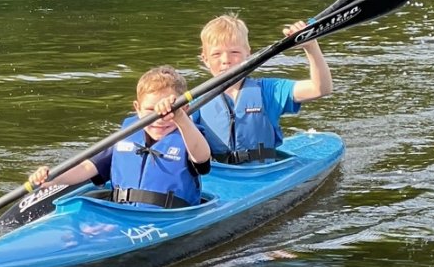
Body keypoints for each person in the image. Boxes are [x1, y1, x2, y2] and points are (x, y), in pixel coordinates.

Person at [30, 65, 213, 208]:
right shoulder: (126, 135)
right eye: (150, 110)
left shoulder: (190, 136)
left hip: (169, 217)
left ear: (184, 109)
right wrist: (53, 178)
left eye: (169, 111)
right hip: (121, 214)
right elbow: (86, 168)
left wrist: (179, 117)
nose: (159, 119)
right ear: (137, 108)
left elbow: (202, 158)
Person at [194, 11, 332, 163]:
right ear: (205, 59)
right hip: (216, 172)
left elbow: (320, 88)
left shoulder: (268, 91)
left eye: (234, 52)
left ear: (248, 54)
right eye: (216, 54)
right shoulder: (196, 102)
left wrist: (311, 46)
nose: (226, 60)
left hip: (262, 171)